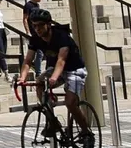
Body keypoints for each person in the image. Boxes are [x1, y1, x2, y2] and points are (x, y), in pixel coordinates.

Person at [18, 9, 92, 148]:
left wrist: (54, 78)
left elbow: (61, 60)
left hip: (74, 69)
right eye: (34, 26)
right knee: (40, 82)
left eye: (40, 25)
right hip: (54, 70)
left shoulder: (61, 36)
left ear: (48, 24)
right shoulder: (35, 39)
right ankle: (53, 121)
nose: (37, 29)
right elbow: (28, 60)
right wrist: (22, 78)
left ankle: (86, 132)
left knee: (70, 102)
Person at [22, 0, 47, 77]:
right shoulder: (28, 5)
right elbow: (25, 19)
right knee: (39, 52)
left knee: (42, 52)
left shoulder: (37, 5)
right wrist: (27, 31)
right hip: (34, 32)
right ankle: (38, 72)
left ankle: (36, 67)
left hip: (39, 32)